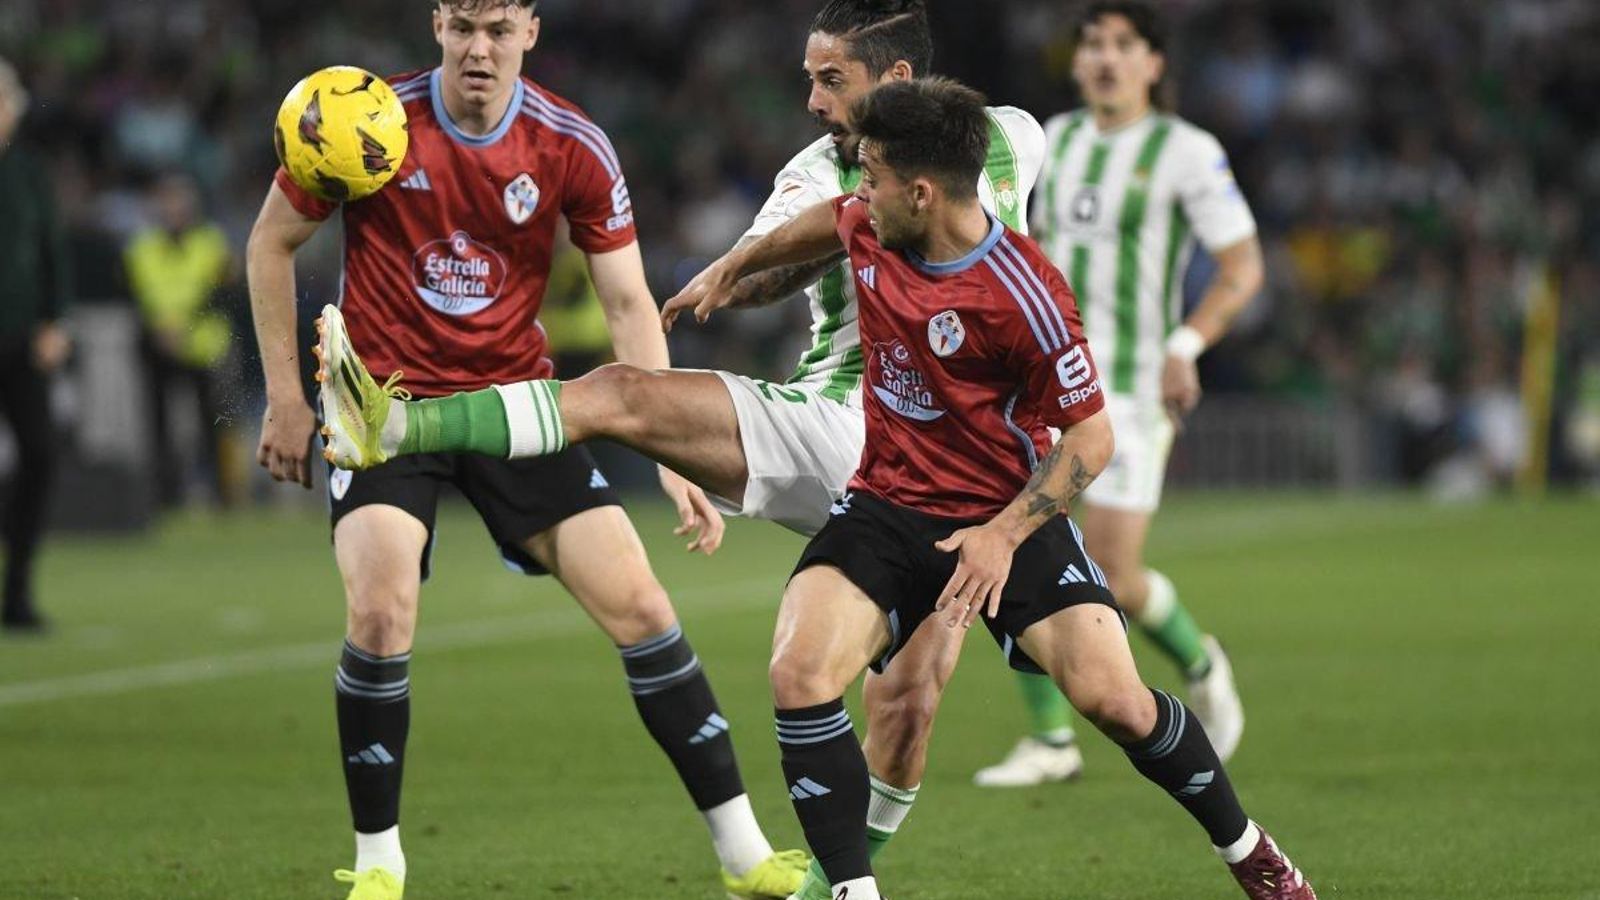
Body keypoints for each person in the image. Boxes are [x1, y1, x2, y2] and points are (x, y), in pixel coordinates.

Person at [312, 3, 1044, 896]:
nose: (810, 101)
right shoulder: (813, 175)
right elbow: (756, 269)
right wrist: (750, 269)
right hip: (842, 430)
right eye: (807, 78)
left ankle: (811, 879)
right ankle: (397, 428)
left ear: (895, 84)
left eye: (829, 80)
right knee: (610, 439)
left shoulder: (1012, 138)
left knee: (914, 700)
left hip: (969, 461)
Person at [672, 76, 1315, 900]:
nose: (858, 189)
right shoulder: (873, 221)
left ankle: (1252, 853)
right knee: (800, 675)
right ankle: (851, 892)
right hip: (885, 503)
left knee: (1115, 703)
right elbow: (822, 225)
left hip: (1003, 512)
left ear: (924, 190)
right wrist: (735, 265)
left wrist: (1003, 535)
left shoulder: (1025, 293)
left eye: (870, 173)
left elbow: (1093, 436)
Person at [246, 3, 805, 898]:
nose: (479, 47)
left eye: (498, 29)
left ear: (531, 32)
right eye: (463, 24)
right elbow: (270, 241)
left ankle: (744, 856)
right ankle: (381, 866)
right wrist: (284, 393)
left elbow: (626, 300)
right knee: (383, 613)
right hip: (385, 419)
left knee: (644, 606)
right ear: (437, 23)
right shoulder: (366, 122)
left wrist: (671, 449)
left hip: (517, 413)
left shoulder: (570, 144)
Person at [974, 0, 1263, 787]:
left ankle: (1203, 659)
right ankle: (1051, 741)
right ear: (1075, 61)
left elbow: (1242, 267)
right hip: (1046, 386)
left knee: (1112, 569)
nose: (1105, 57)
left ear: (1153, 63)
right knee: (1029, 538)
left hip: (1133, 390)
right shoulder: (1046, 143)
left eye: (1123, 44)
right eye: (1093, 43)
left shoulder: (1186, 152)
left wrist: (1186, 343)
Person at [0, 56, 71, 633]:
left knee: (41, 454)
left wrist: (55, 321)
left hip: (22, 337)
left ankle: (17, 591)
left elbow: (53, 251)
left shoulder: (27, 172)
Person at [125, 171, 237, 509]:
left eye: (178, 200)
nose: (173, 208)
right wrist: (159, 329)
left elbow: (221, 294)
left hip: (204, 346)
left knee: (212, 423)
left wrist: (180, 326)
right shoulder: (141, 248)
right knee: (158, 425)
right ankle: (165, 495)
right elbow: (135, 294)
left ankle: (221, 495)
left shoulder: (211, 243)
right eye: (166, 200)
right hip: (159, 346)